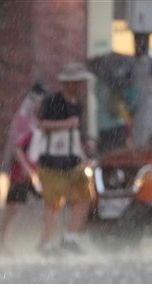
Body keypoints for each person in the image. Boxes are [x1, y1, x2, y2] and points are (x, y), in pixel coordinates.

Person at [36, 63, 95, 255]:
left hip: (73, 159)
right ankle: (46, 243)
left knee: (84, 196)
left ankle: (70, 237)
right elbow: (43, 124)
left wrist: (84, 151)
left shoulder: (78, 103)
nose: (79, 86)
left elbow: (77, 131)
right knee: (53, 203)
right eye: (76, 82)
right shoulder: (53, 101)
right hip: (52, 160)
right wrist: (66, 124)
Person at [0, 82, 47, 255]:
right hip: (21, 170)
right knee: (13, 206)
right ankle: (1, 242)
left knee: (49, 202)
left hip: (33, 168)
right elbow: (17, 147)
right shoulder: (23, 118)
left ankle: (43, 239)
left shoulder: (34, 118)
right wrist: (26, 167)